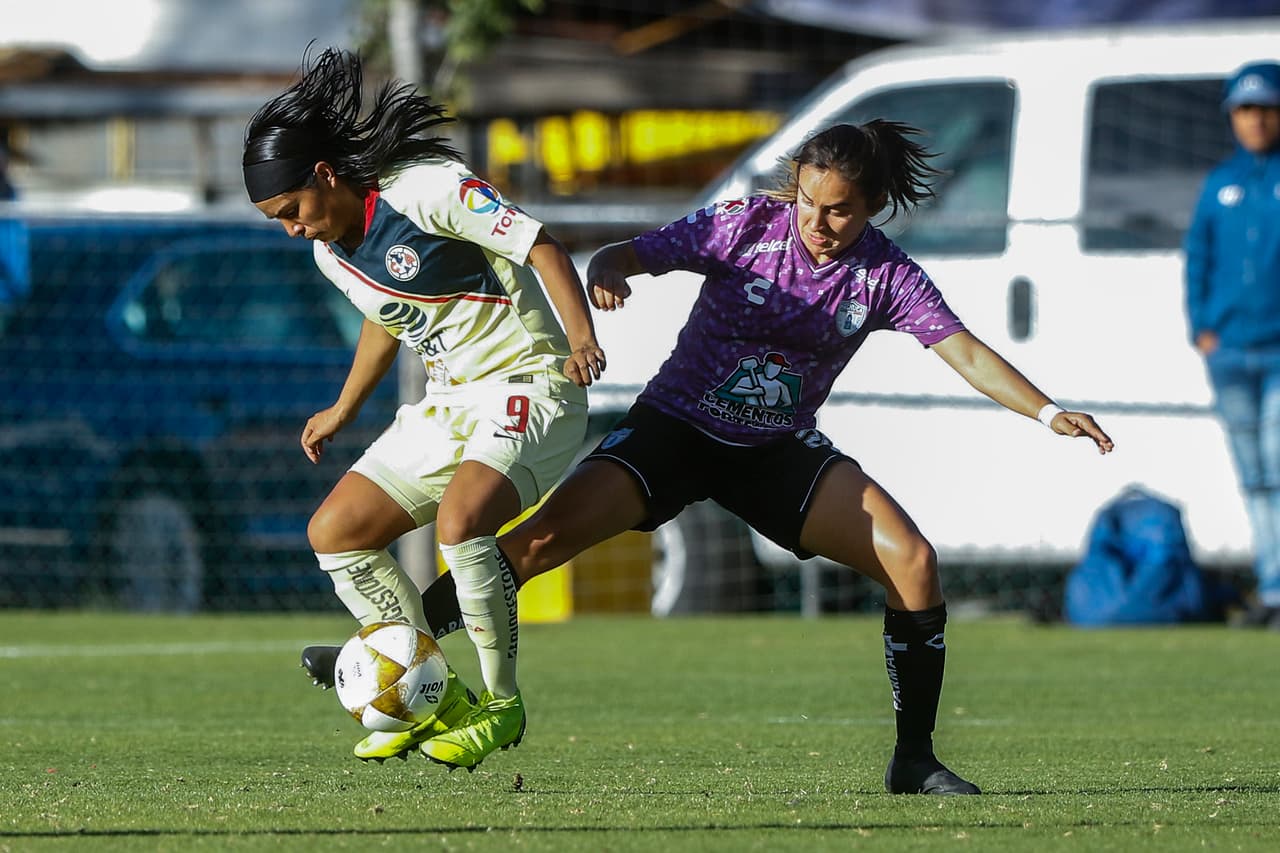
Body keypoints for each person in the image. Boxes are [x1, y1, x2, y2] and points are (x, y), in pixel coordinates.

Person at [306, 121, 1114, 789]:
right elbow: (635, 250)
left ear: (872, 207)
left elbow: (964, 351)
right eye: (809, 201)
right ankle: (393, 655)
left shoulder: (885, 276)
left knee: (914, 561)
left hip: (774, 450)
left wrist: (1048, 411)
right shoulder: (746, 224)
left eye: (840, 211)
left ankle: (914, 758)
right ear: (794, 187)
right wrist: (612, 269)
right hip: (674, 430)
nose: (818, 222)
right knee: (527, 547)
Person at [243, 46, 606, 765]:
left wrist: (580, 338)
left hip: (530, 381)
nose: (292, 229)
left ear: (325, 175)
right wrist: (345, 407)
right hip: (449, 404)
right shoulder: (329, 253)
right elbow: (387, 317)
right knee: (336, 531)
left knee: (462, 521)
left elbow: (540, 246)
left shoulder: (426, 189)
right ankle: (432, 697)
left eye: (291, 211)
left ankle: (502, 704)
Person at [1184, 61, 1280, 630]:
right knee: (1255, 477)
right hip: (1230, 355)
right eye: (1245, 110)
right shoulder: (1220, 183)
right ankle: (1271, 587)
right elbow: (1198, 257)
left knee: (1278, 463)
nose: (1256, 120)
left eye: (1266, 108)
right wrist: (1201, 327)